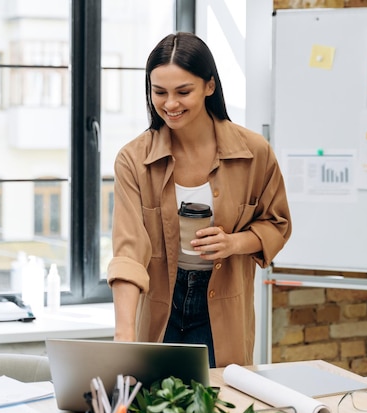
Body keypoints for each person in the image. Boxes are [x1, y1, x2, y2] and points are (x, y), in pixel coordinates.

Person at [107, 32, 291, 368]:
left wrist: (233, 243)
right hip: (161, 304)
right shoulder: (133, 159)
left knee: (221, 404)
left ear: (209, 86)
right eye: (159, 92)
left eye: (183, 92)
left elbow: (277, 224)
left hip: (223, 306)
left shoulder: (254, 153)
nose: (170, 104)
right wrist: (123, 335)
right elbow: (128, 251)